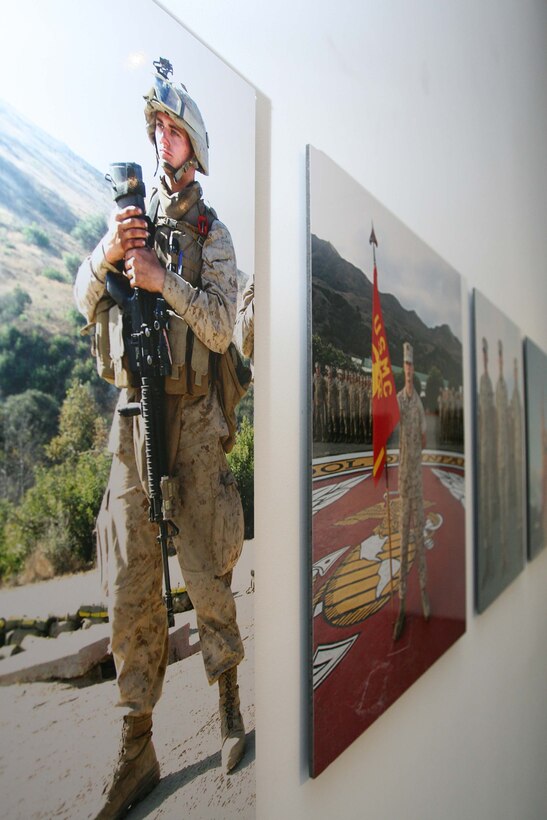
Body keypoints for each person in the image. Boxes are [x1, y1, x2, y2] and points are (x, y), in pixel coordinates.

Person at [74, 59, 246, 818]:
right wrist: (111, 257)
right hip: (134, 418)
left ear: (194, 147)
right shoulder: (129, 226)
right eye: (156, 128)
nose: (161, 139)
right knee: (130, 581)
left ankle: (229, 702)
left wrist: (161, 280)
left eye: (174, 130)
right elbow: (82, 298)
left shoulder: (213, 234)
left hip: (196, 420)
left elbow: (220, 325)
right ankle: (136, 741)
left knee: (207, 566)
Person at [393, 342, 429, 641]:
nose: (407, 370)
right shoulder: (398, 401)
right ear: (402, 369)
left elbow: (424, 438)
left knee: (420, 539)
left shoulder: (417, 404)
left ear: (414, 370)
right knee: (403, 542)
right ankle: (403, 605)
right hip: (404, 484)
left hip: (417, 483)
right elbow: (387, 423)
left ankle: (424, 593)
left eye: (410, 366)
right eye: (404, 366)